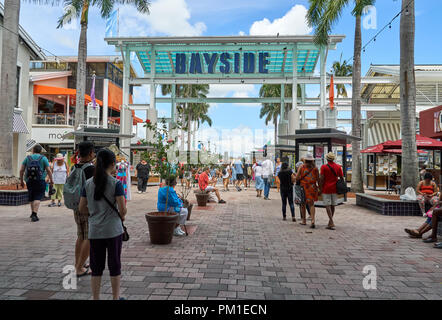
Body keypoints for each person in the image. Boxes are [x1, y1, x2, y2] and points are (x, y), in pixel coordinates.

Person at [79, 149, 127, 300]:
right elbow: (123, 209)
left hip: (95, 230)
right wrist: (120, 216)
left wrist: (94, 213)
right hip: (113, 230)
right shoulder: (116, 183)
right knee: (115, 265)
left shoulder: (88, 184)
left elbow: (81, 208)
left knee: (96, 267)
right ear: (112, 164)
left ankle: (96, 297)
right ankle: (115, 297)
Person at [71, 141, 95, 278]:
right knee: (89, 237)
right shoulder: (90, 169)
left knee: (80, 236)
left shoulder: (76, 166)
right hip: (87, 206)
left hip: (76, 206)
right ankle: (79, 268)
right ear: (91, 153)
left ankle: (78, 263)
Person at [19, 145, 54, 222]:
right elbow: (48, 170)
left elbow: (21, 170)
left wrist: (21, 181)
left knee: (31, 197)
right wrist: (51, 180)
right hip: (40, 180)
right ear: (40, 151)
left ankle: (32, 213)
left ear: (33, 150)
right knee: (37, 197)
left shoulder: (27, 158)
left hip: (29, 180)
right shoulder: (43, 158)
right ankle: (34, 214)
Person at [319, 152, 343, 230]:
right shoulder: (338, 167)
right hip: (335, 188)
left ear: (327, 159)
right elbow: (342, 178)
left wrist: (320, 188)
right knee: (333, 205)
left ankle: (331, 221)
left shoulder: (323, 167)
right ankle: (330, 222)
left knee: (327, 205)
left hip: (326, 188)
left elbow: (322, 179)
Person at [297, 153, 319, 228]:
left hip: (303, 187)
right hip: (312, 187)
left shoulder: (302, 167)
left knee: (303, 204)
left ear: (305, 160)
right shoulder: (315, 168)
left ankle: (304, 221)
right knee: (311, 204)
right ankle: (312, 220)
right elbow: (318, 179)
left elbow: (297, 178)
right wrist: (320, 188)